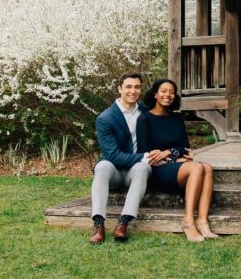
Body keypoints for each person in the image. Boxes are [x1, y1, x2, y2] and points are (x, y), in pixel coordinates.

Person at [138, 78, 219, 242]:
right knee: (196, 168)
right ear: (155, 94)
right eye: (163, 91)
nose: (168, 95)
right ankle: (188, 222)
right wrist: (174, 156)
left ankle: (202, 221)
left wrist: (168, 152)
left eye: (172, 92)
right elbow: (146, 153)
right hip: (157, 171)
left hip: (176, 166)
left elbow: (185, 148)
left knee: (208, 168)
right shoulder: (144, 119)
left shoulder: (177, 118)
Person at [88, 72, 160, 244]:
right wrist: (144, 156)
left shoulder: (146, 112)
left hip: (135, 171)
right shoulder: (105, 118)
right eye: (128, 87)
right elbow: (113, 156)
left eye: (137, 87)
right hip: (114, 170)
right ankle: (99, 224)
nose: (133, 91)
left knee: (143, 168)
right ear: (119, 88)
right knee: (102, 167)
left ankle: (123, 223)